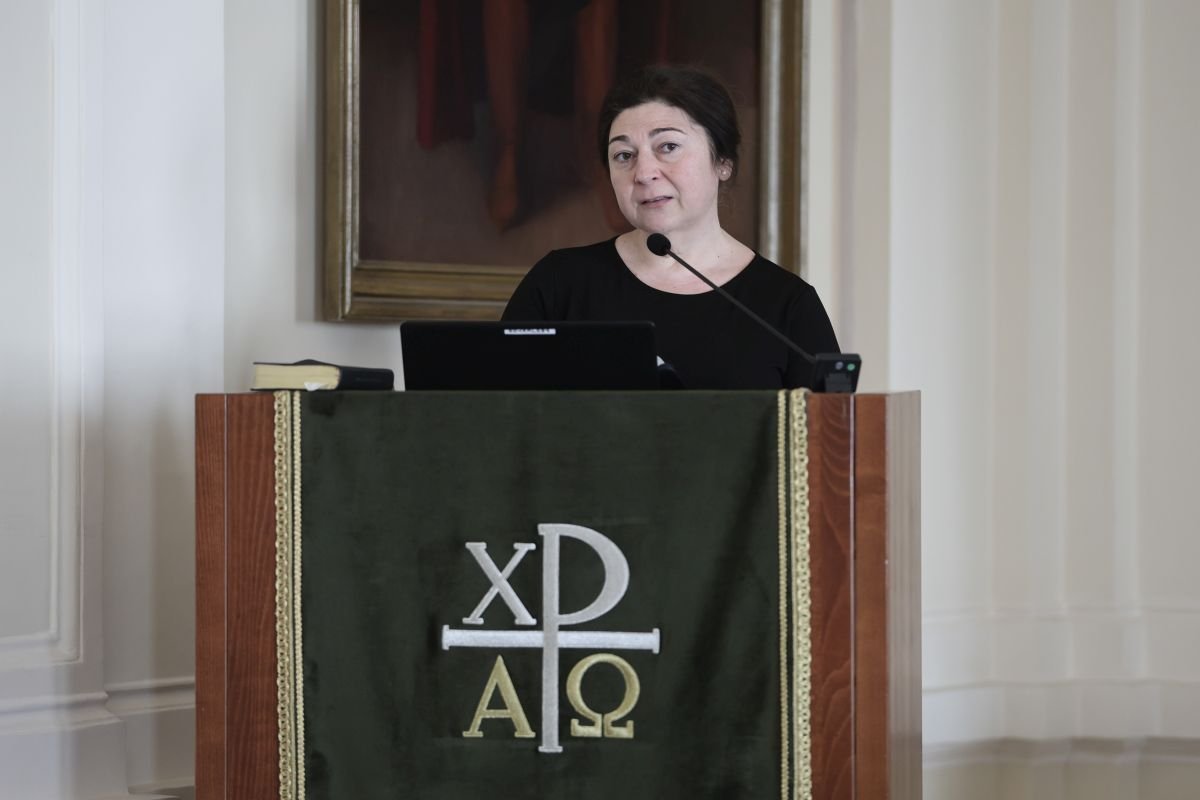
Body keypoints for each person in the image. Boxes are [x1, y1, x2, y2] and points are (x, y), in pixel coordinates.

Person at [501, 64, 841, 389]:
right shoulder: (559, 284)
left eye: (668, 147)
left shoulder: (787, 306)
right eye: (624, 155)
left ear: (723, 162)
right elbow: (495, 414)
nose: (643, 173)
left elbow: (833, 426)